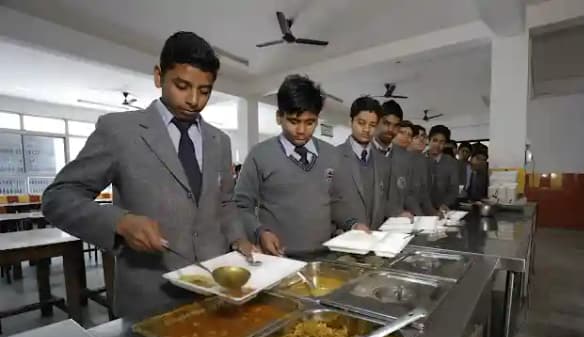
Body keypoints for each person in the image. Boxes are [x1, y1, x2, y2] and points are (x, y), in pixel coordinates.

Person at [42, 32, 255, 317]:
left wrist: (239, 238)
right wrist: (120, 222)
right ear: (158, 76)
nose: (194, 100)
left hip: (216, 290)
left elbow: (225, 201)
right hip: (151, 296)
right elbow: (58, 197)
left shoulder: (220, 141)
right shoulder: (119, 131)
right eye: (182, 86)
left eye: (204, 91)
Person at [234, 75, 364, 256]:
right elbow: (240, 205)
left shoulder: (332, 155)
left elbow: (336, 202)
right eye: (293, 121)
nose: (301, 131)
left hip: (323, 257)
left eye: (310, 123)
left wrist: (353, 224)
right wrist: (259, 232)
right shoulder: (260, 155)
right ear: (279, 117)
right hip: (278, 257)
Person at [333, 96, 391, 230]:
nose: (366, 129)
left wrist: (398, 213)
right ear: (350, 122)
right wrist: (352, 224)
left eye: (372, 125)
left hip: (376, 235)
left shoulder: (384, 161)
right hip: (347, 235)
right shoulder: (334, 156)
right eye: (361, 123)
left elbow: (384, 202)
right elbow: (331, 203)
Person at [427, 124, 460, 211]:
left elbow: (454, 189)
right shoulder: (420, 159)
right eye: (435, 140)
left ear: (445, 144)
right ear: (428, 140)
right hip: (421, 209)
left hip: (443, 208)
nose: (437, 145)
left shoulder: (451, 162)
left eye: (442, 142)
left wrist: (445, 204)